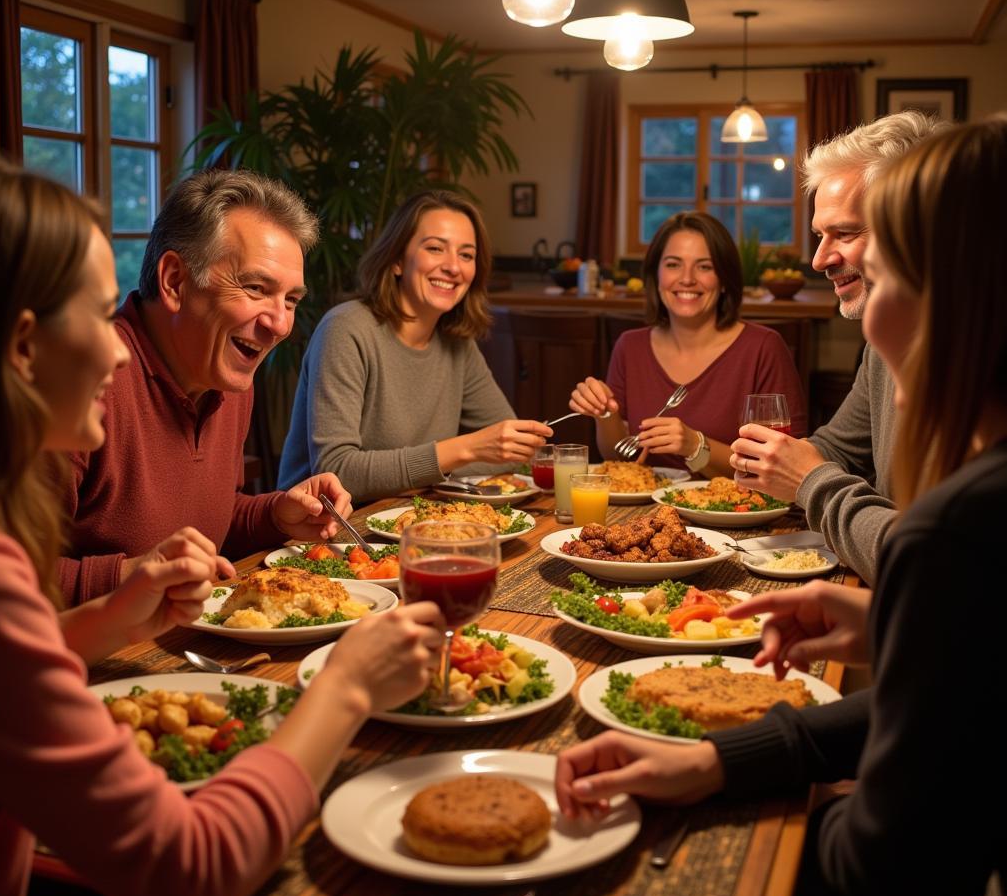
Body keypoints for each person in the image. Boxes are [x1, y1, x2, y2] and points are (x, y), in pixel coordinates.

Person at [555, 116, 1007, 896]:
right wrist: (720, 761)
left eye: (882, 261)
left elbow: (892, 870)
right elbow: (974, 697)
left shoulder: (962, 529)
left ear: (960, 284)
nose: (846, 285)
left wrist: (741, 827)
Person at [0, 159, 446, 896]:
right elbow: (190, 870)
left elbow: (16, 661)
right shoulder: (65, 431)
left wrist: (267, 514)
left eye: (289, 296)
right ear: (24, 346)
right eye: (96, 315)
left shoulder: (221, 372)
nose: (114, 349)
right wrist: (346, 684)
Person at [60, 169, 355, 605]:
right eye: (256, 288)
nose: (279, 324)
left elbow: (207, 521)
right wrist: (130, 576)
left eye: (291, 300)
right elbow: (7, 579)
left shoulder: (228, 372)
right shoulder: (80, 378)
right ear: (175, 281)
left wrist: (276, 514)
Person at [730, 111, 942, 582]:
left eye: (844, 233)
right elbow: (837, 448)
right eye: (819, 236)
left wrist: (810, 481)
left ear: (916, 227)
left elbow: (929, 566)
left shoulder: (978, 360)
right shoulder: (887, 342)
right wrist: (783, 463)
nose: (819, 259)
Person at [278, 190, 552, 503]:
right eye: (435, 248)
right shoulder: (346, 329)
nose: (453, 267)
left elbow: (510, 455)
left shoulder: (457, 343)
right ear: (396, 260)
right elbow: (337, 471)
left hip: (410, 519)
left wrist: (447, 461)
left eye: (466, 255)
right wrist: (463, 450)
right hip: (321, 532)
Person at [568, 211, 805, 476]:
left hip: (735, 513)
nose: (687, 278)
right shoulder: (630, 346)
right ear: (655, 275)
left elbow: (786, 465)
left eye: (705, 266)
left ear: (725, 279)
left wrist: (696, 446)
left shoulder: (763, 348)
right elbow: (619, 459)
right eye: (673, 264)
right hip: (646, 514)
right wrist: (605, 414)